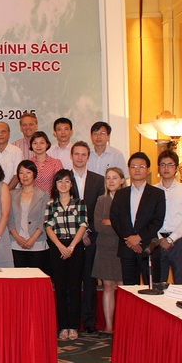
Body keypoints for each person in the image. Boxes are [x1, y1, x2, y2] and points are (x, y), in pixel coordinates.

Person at [110, 152, 166, 286]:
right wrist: (130, 239)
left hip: (148, 248)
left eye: (141, 166)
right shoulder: (121, 194)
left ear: (148, 170)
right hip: (127, 248)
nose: (137, 170)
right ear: (129, 170)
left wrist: (139, 237)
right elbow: (115, 218)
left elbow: (158, 220)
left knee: (152, 287)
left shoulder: (157, 193)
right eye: (133, 166)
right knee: (129, 288)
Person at [44, 169, 88, 341]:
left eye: (67, 181)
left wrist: (71, 247)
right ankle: (63, 326)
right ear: (55, 184)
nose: (63, 184)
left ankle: (73, 326)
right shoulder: (51, 204)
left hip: (75, 247)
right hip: (57, 247)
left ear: (71, 184)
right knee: (61, 288)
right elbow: (48, 227)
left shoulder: (79, 203)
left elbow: (83, 225)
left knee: (75, 288)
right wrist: (61, 247)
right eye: (60, 181)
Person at [69, 141, 106, 335]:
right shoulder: (64, 178)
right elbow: (63, 209)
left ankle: (90, 321)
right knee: (73, 280)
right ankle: (72, 321)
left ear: (88, 157)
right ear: (71, 156)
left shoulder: (98, 180)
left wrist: (87, 231)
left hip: (91, 237)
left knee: (90, 280)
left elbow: (99, 210)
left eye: (83, 154)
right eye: (77, 154)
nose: (80, 157)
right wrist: (78, 233)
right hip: (70, 238)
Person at [91, 167, 126, 338]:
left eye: (114, 177)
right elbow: (98, 226)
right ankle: (109, 326)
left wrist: (111, 222)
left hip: (124, 246)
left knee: (124, 287)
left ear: (122, 180)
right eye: (108, 178)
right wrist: (116, 224)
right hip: (105, 247)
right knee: (107, 286)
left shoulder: (128, 198)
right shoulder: (101, 200)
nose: (111, 181)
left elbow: (127, 226)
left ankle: (124, 326)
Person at [154, 150, 182, 284]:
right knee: (158, 284)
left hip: (179, 241)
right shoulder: (152, 191)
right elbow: (149, 219)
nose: (166, 168)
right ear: (158, 168)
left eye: (170, 165)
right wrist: (161, 239)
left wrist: (171, 239)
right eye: (163, 165)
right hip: (157, 241)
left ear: (176, 168)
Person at [8, 160, 49, 274]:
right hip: (16, 243)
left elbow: (44, 219)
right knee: (19, 278)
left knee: (36, 278)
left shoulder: (43, 194)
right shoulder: (12, 194)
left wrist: (33, 239)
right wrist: (17, 237)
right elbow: (9, 218)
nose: (24, 176)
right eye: (21, 173)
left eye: (28, 172)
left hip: (37, 243)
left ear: (34, 174)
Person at [0, 122, 23, 187]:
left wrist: (6, 191)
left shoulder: (16, 151)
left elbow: (17, 176)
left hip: (12, 191)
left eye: (3, 131)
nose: (0, 134)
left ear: (9, 134)